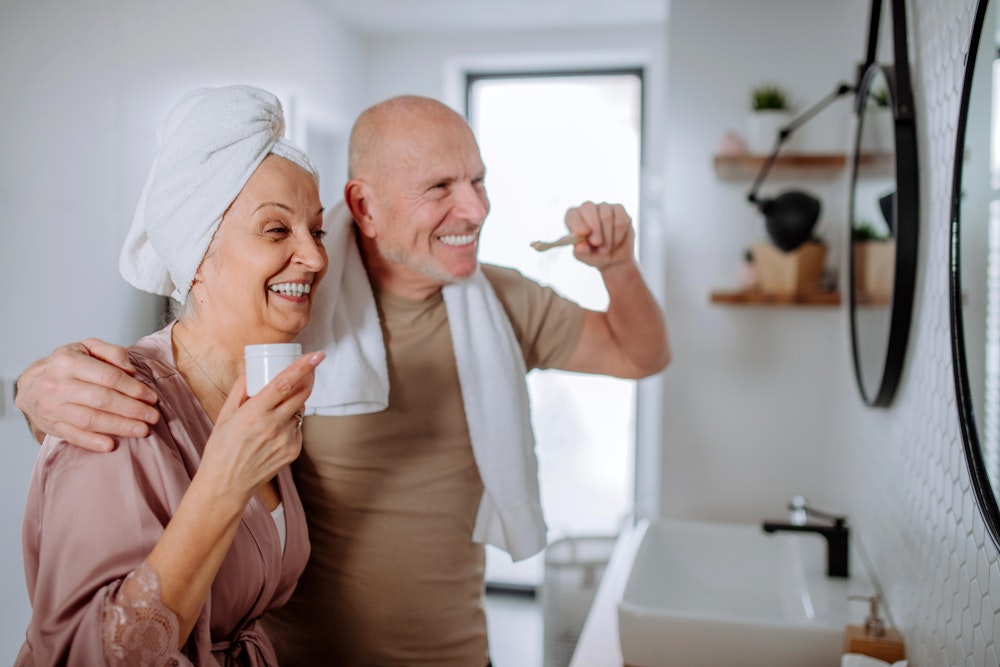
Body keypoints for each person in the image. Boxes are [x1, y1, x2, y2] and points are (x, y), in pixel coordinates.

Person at [16, 94, 670, 666]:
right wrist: (29, 389)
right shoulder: (288, 320)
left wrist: (617, 265)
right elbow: (173, 380)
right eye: (440, 187)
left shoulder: (496, 304)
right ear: (365, 204)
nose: (475, 207)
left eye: (478, 179)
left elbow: (639, 355)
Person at [14, 84, 329, 665]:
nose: (314, 258)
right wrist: (227, 481)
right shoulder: (114, 407)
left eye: (318, 230)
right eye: (277, 231)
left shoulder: (256, 393)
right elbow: (89, 655)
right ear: (197, 256)